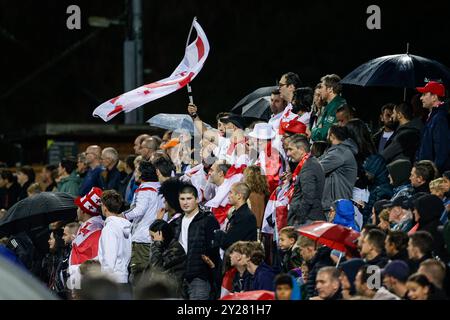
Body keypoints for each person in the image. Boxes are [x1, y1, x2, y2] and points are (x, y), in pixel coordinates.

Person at [171, 183, 221, 300]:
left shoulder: (208, 220)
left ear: (197, 199)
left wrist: (210, 270)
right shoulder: (176, 222)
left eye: (189, 198)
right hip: (179, 276)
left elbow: (214, 247)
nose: (185, 202)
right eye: (182, 199)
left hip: (200, 276)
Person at [122, 161, 162, 281]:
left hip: (142, 238)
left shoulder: (145, 189)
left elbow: (138, 210)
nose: (135, 173)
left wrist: (121, 216)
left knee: (139, 278)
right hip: (157, 237)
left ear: (141, 174)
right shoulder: (160, 186)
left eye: (136, 170)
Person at [68, 187, 104, 291]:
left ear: (84, 211)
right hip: (78, 278)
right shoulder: (86, 229)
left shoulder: (96, 232)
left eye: (78, 208)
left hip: (85, 282)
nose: (77, 210)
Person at [286, 134, 326, 226]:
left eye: (291, 149)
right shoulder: (309, 163)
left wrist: (298, 219)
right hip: (308, 218)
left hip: (308, 219)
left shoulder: (309, 167)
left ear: (301, 150)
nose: (288, 153)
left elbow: (308, 197)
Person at [319, 125, 358, 211]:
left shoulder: (340, 153)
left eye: (328, 134)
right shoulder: (336, 151)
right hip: (334, 204)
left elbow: (316, 168)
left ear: (332, 135)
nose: (326, 137)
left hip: (335, 206)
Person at [98, 190, 132, 284]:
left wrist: (105, 281)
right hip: (123, 277)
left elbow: (109, 259)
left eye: (101, 205)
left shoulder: (109, 228)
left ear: (105, 207)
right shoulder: (125, 226)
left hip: (112, 281)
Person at [416, 81, 450, 172]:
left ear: (434, 97)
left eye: (424, 94)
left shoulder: (440, 118)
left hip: (432, 175)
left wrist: (434, 174)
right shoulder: (433, 116)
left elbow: (442, 151)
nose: (421, 98)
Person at [213, 183, 257, 251]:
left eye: (231, 193)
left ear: (239, 196)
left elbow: (231, 243)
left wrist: (217, 233)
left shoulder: (246, 217)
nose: (228, 196)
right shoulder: (238, 214)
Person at [147, 219, 186, 294]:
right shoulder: (163, 247)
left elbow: (156, 268)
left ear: (162, 235)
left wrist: (156, 244)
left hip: (172, 292)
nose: (152, 240)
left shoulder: (175, 249)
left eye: (153, 237)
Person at [311, 74, 346, 142]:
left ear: (330, 89)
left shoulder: (338, 106)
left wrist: (313, 132)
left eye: (322, 87)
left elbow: (325, 134)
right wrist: (318, 129)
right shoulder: (330, 106)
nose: (320, 90)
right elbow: (319, 127)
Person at [412, 194, 448, 261]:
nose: (413, 212)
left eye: (416, 209)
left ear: (424, 210)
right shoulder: (436, 225)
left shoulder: (428, 232)